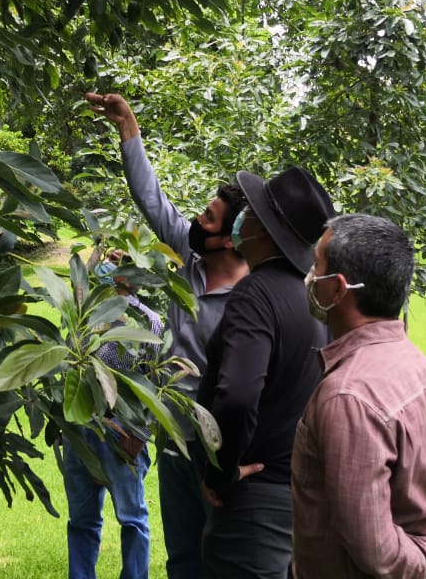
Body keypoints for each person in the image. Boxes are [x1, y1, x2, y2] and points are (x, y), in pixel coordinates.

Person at [86, 91, 250, 579]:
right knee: (182, 559)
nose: (195, 220)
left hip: (221, 451)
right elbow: (151, 199)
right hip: (174, 441)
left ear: (230, 239)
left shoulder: (253, 298)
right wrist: (128, 130)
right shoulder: (189, 256)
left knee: (225, 558)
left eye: (207, 217)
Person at [292, 213, 426, 579]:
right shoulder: (424, 372)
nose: (310, 278)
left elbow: (379, 554)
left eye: (317, 267)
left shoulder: (348, 397)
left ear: (338, 288)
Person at [195, 166, 336, 579]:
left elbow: (237, 396)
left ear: (262, 230)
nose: (243, 219)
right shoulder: (312, 298)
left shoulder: (254, 296)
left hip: (255, 506)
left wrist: (221, 471)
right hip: (299, 494)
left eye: (250, 213)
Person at [61, 256, 164, 579]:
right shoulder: (83, 318)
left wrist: (142, 434)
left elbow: (157, 383)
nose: (108, 263)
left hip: (123, 432)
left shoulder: (148, 323)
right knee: (81, 520)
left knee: (132, 519)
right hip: (81, 429)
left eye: (118, 260)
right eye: (108, 257)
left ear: (131, 275)